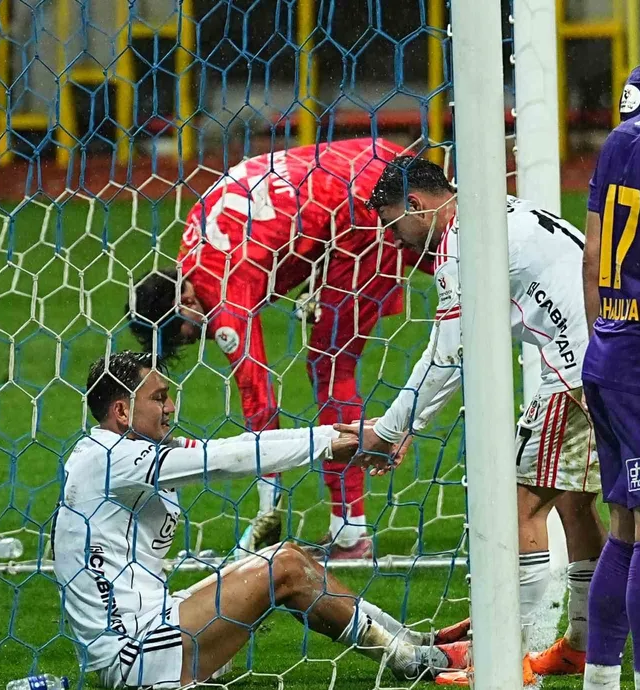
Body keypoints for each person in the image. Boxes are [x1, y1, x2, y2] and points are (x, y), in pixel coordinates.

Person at [336, 156, 606, 685]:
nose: (394, 239)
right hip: (609, 351)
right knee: (574, 501)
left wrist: (388, 430)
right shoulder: (491, 207)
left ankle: (503, 657)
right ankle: (581, 644)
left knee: (519, 506)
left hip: (576, 370)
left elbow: (447, 356)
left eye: (393, 223)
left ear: (417, 205)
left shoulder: (462, 244)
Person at [51, 351, 470, 688]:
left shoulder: (128, 453)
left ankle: (412, 642)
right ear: (122, 411)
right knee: (284, 567)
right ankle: (412, 661)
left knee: (289, 555)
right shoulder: (110, 458)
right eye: (159, 398)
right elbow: (224, 460)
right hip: (138, 656)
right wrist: (332, 447)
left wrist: (343, 435)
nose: (171, 406)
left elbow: (243, 443)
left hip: (157, 628)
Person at [128, 138, 431, 559]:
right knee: (468, 264)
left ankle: (350, 533)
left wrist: (266, 507)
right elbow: (284, 222)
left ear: (185, 301)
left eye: (188, 332)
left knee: (331, 365)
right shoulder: (194, 244)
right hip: (373, 162)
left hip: (362, 211)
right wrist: (318, 279)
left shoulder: (222, 292)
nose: (201, 338)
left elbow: (261, 403)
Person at [581, 65, 640, 690]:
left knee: (625, 526)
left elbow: (593, 255)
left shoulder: (617, 144)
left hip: (607, 352)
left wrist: (604, 338)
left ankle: (600, 679)